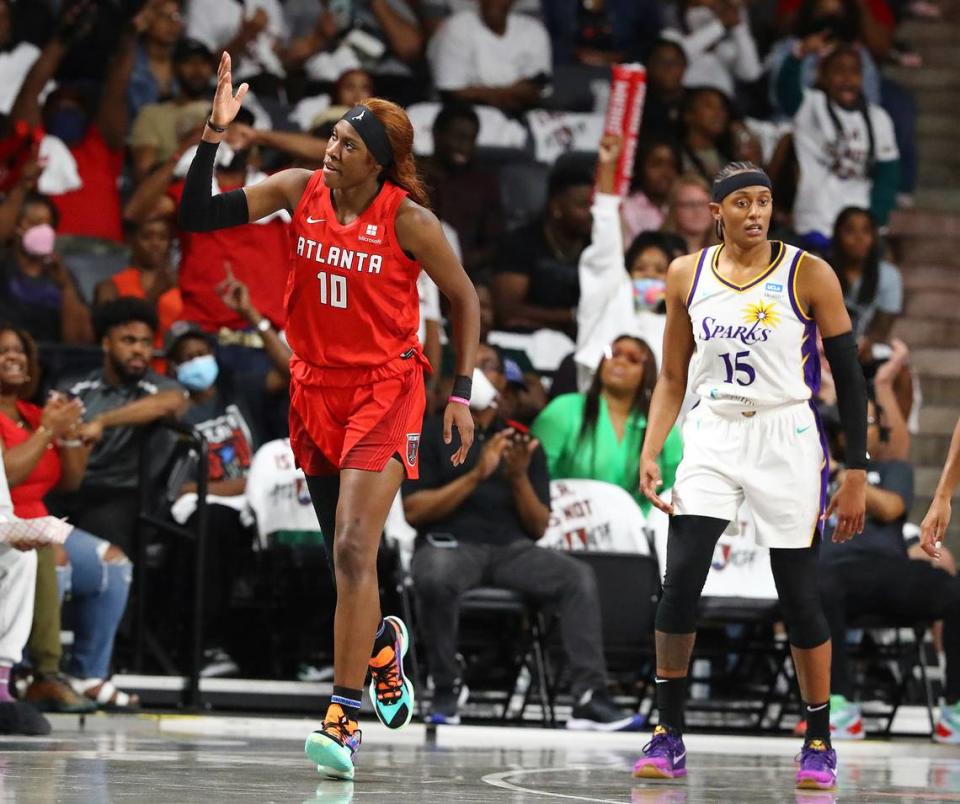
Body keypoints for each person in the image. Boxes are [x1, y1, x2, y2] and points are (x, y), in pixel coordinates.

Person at [178, 54, 479, 780]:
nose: (332, 149)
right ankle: (380, 649)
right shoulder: (294, 189)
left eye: (346, 144)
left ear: (376, 163)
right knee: (345, 561)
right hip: (313, 387)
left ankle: (343, 720)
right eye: (333, 139)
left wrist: (461, 393)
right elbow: (198, 214)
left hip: (385, 387)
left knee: (352, 548)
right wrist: (213, 137)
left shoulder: (409, 221)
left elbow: (466, 300)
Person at [632, 161, 868, 791]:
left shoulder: (809, 272)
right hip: (712, 431)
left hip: (785, 435)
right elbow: (673, 376)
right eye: (743, 202)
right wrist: (653, 448)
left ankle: (818, 738)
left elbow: (849, 376)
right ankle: (668, 731)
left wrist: (857, 472)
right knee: (680, 577)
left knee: (797, 590)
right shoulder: (687, 274)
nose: (757, 212)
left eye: (764, 201)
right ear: (718, 212)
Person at [403, 347, 646, 731]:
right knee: (434, 574)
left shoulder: (522, 443)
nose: (486, 375)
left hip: (511, 549)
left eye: (493, 369)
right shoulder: (430, 432)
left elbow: (538, 527)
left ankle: (588, 696)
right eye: (477, 365)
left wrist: (517, 478)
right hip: (449, 544)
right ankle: (447, 685)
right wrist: (476, 475)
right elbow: (414, 512)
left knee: (576, 576)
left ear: (503, 387)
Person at [0, 325, 138, 712]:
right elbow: (6, 476)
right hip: (8, 524)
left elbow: (72, 480)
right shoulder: (37, 421)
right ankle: (37, 673)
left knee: (112, 562)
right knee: (51, 557)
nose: (13, 357)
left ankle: (88, 673)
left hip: (43, 521)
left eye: (19, 351)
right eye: (3, 351)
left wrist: (72, 435)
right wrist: (49, 431)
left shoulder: (33, 412)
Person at [815, 393, 960, 743]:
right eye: (852, 423)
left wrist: (848, 476)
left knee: (953, 591)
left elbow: (892, 508)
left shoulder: (895, 470)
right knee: (816, 587)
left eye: (867, 423)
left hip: (890, 571)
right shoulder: (815, 472)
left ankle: (954, 709)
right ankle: (839, 705)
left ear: (881, 431)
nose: (861, 430)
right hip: (835, 571)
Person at [50, 299, 189, 556]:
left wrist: (102, 421)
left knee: (97, 542)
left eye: (146, 342)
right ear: (106, 344)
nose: (139, 350)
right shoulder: (78, 386)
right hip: (69, 486)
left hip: (121, 493)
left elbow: (170, 404)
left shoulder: (160, 387)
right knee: (39, 529)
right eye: (128, 341)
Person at [533, 335, 683, 515]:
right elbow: (534, 475)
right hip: (566, 520)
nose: (620, 362)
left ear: (648, 373)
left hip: (637, 532)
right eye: (613, 353)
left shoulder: (663, 428)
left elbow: (674, 491)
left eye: (633, 358)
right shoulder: (563, 408)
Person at [777, 43, 899, 247]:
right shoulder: (811, 105)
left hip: (857, 222)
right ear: (823, 76)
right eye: (838, 70)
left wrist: (876, 215)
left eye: (854, 71)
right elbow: (786, 92)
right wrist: (798, 55)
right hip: (813, 220)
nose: (847, 78)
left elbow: (888, 171)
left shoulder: (878, 118)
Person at [492, 158, 593, 338]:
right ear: (556, 206)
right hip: (526, 338)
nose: (591, 213)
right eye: (582, 205)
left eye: (593, 205)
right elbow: (507, 310)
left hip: (582, 338)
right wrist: (571, 316)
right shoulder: (521, 243)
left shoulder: (594, 247)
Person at [418, 102, 504, 277]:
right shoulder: (413, 174)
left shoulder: (484, 183)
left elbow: (494, 243)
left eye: (470, 139)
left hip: (466, 274)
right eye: (458, 137)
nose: (464, 146)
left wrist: (462, 262)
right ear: (437, 135)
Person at [0, 192, 93, 345]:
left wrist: (66, 287)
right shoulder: (4, 265)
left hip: (53, 358)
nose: (44, 231)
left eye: (48, 225)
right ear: (14, 226)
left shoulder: (60, 272)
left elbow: (80, 341)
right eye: (35, 223)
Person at [427, 0, 552, 113]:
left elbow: (534, 90)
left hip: (520, 116)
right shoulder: (457, 26)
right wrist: (510, 93)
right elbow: (452, 91)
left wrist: (483, 92)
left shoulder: (534, 31)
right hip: (462, 114)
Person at [94, 218, 182, 369]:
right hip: (128, 371)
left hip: (172, 373)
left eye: (163, 238)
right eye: (147, 237)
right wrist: (153, 295)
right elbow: (104, 331)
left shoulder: (181, 286)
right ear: (131, 240)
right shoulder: (110, 286)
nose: (155, 243)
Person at [129, 36, 216, 182]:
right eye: (189, 62)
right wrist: (187, 146)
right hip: (173, 191)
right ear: (174, 68)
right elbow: (143, 174)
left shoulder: (223, 111)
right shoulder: (152, 114)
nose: (198, 69)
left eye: (204, 63)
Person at [829, 207, 902, 348]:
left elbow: (880, 331)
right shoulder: (820, 270)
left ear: (874, 238)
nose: (859, 238)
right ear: (837, 235)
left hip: (864, 352)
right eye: (850, 231)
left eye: (866, 231)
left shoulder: (888, 275)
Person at [661, 0, 763, 99]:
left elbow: (750, 73)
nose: (707, 12)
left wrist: (738, 26)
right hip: (686, 104)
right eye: (699, 7)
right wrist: (719, 26)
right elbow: (677, 56)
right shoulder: (672, 33)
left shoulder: (726, 47)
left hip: (724, 109)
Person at [622, 139, 681, 245]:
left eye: (672, 165)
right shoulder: (628, 208)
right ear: (641, 169)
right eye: (656, 164)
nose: (665, 172)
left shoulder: (685, 204)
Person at [660, 174, 716, 255]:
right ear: (674, 209)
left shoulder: (727, 249)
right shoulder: (659, 249)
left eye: (703, 204)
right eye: (689, 204)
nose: (698, 211)